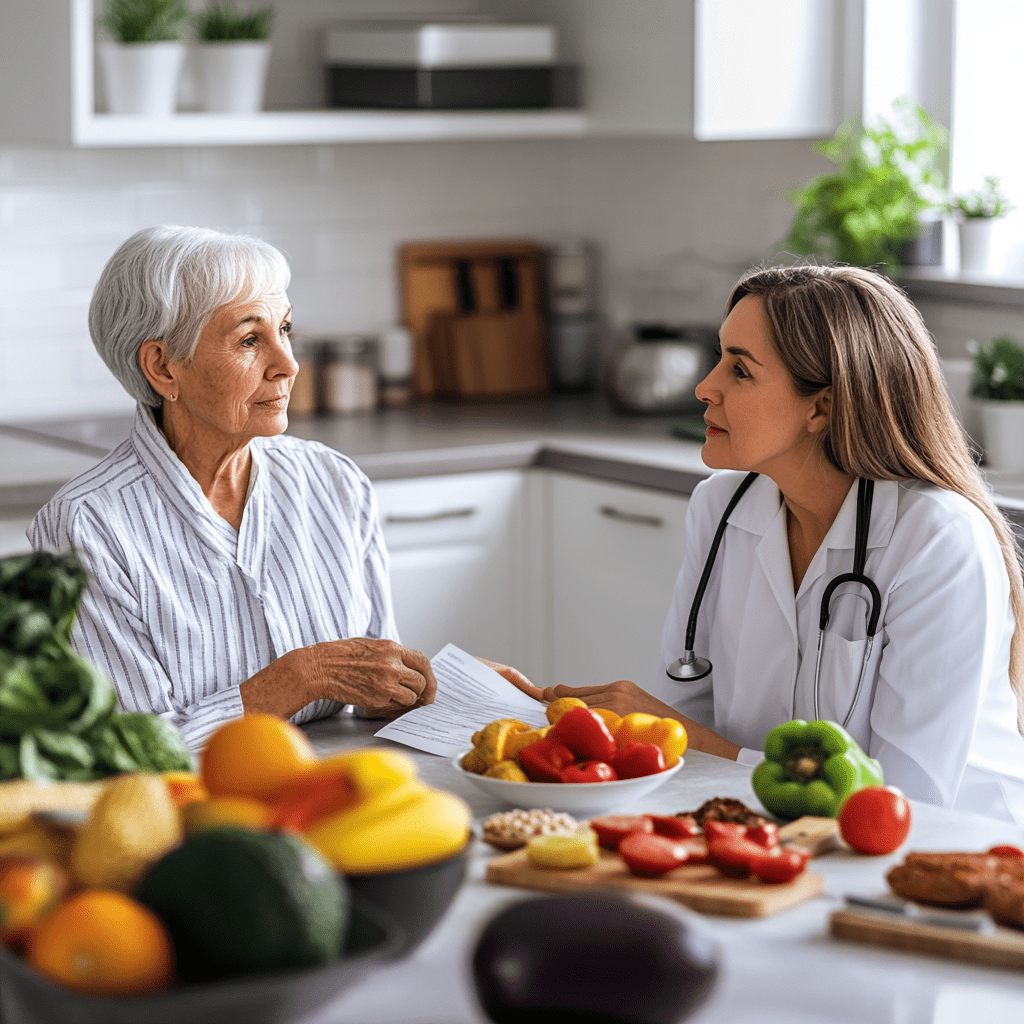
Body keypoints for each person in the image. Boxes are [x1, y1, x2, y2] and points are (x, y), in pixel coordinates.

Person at [535, 264, 1024, 822]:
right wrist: (555, 714)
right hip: (771, 829)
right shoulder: (721, 509)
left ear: (822, 406)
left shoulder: (937, 539)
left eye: (739, 370)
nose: (705, 387)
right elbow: (679, 735)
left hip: (955, 855)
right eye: (719, 358)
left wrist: (690, 740)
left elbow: (904, 804)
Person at [29, 225, 523, 751]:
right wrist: (295, 679)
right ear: (162, 367)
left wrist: (438, 686)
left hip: (342, 784)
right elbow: (123, 747)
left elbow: (368, 689)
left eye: (284, 329)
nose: (288, 364)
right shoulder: (85, 526)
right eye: (249, 340)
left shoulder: (333, 482)